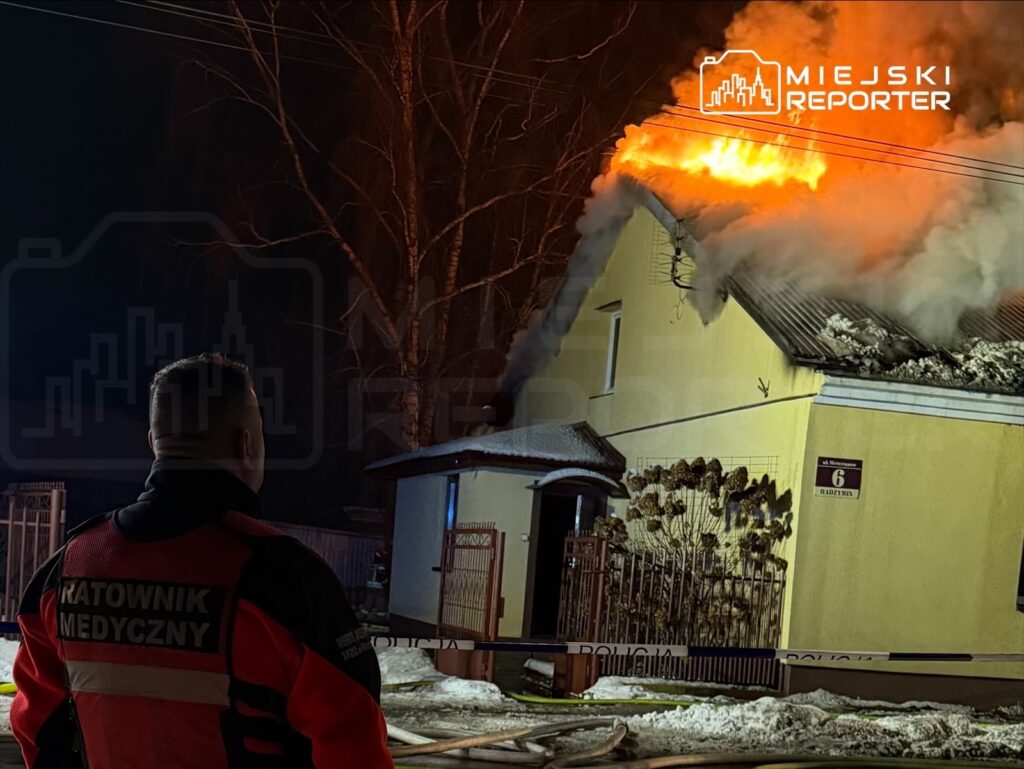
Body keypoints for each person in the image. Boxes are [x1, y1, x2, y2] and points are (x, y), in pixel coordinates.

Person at [11, 353, 393, 768]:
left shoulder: (65, 569)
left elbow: (38, 727)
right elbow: (354, 744)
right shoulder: (284, 579)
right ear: (245, 443)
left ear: (154, 443)